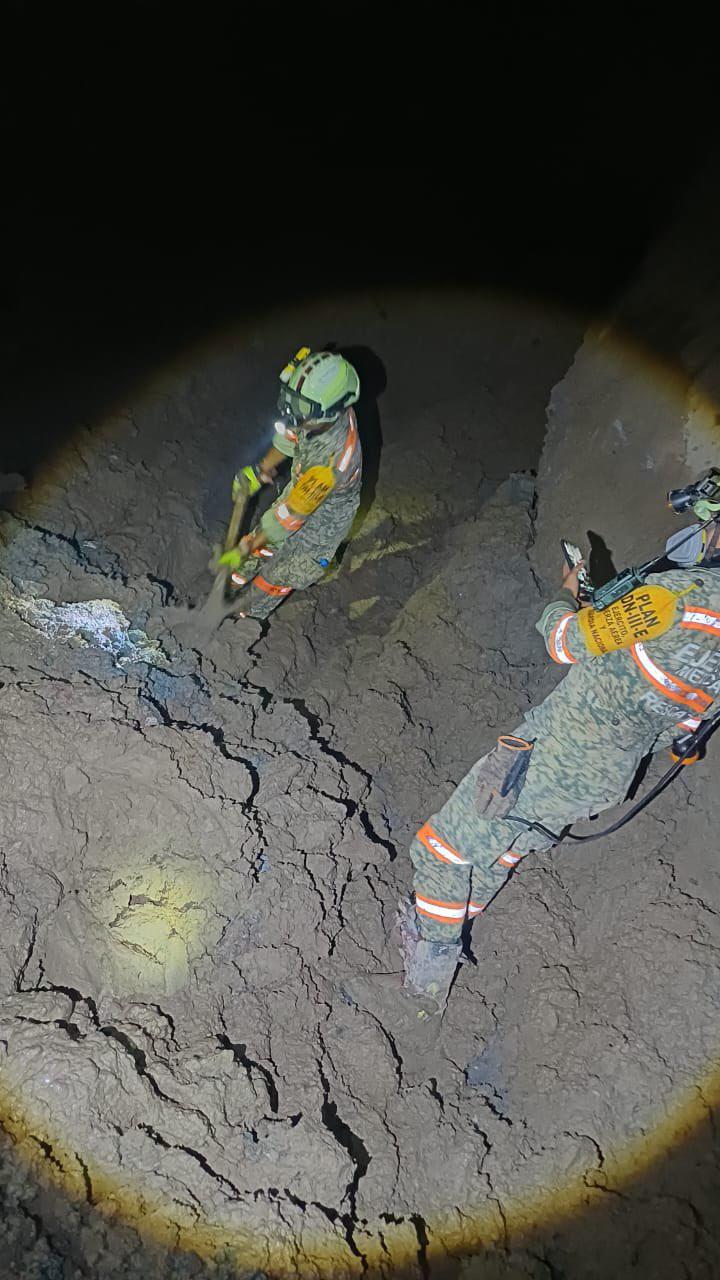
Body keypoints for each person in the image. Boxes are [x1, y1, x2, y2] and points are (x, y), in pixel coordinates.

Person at [400, 505, 720, 1016]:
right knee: (502, 850)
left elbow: (562, 641)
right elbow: (683, 729)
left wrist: (567, 591)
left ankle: (424, 989)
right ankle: (443, 938)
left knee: (444, 849)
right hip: (606, 777)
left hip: (555, 755)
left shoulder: (681, 597)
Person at [219, 347, 362, 620]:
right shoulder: (311, 411)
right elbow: (290, 437)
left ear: (328, 412)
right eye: (291, 400)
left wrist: (245, 548)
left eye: (301, 408)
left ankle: (242, 621)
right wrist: (260, 470)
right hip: (301, 484)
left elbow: (288, 518)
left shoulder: (332, 462)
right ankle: (226, 588)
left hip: (325, 516)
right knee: (260, 545)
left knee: (279, 574)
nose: (292, 411)